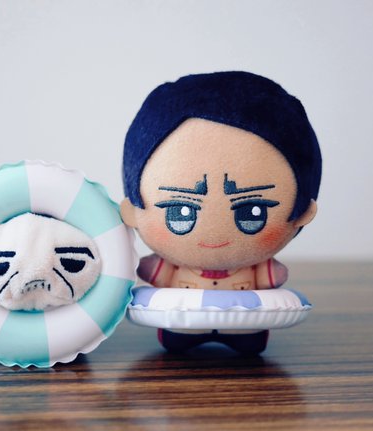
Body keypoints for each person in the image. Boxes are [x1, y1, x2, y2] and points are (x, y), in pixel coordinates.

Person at [120, 71, 322, 353]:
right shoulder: (168, 268)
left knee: (249, 343)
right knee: (177, 341)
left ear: (300, 213)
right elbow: (148, 270)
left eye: (252, 212)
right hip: (180, 327)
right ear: (133, 210)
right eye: (180, 212)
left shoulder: (260, 269)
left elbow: (276, 276)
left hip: (246, 328)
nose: (214, 236)